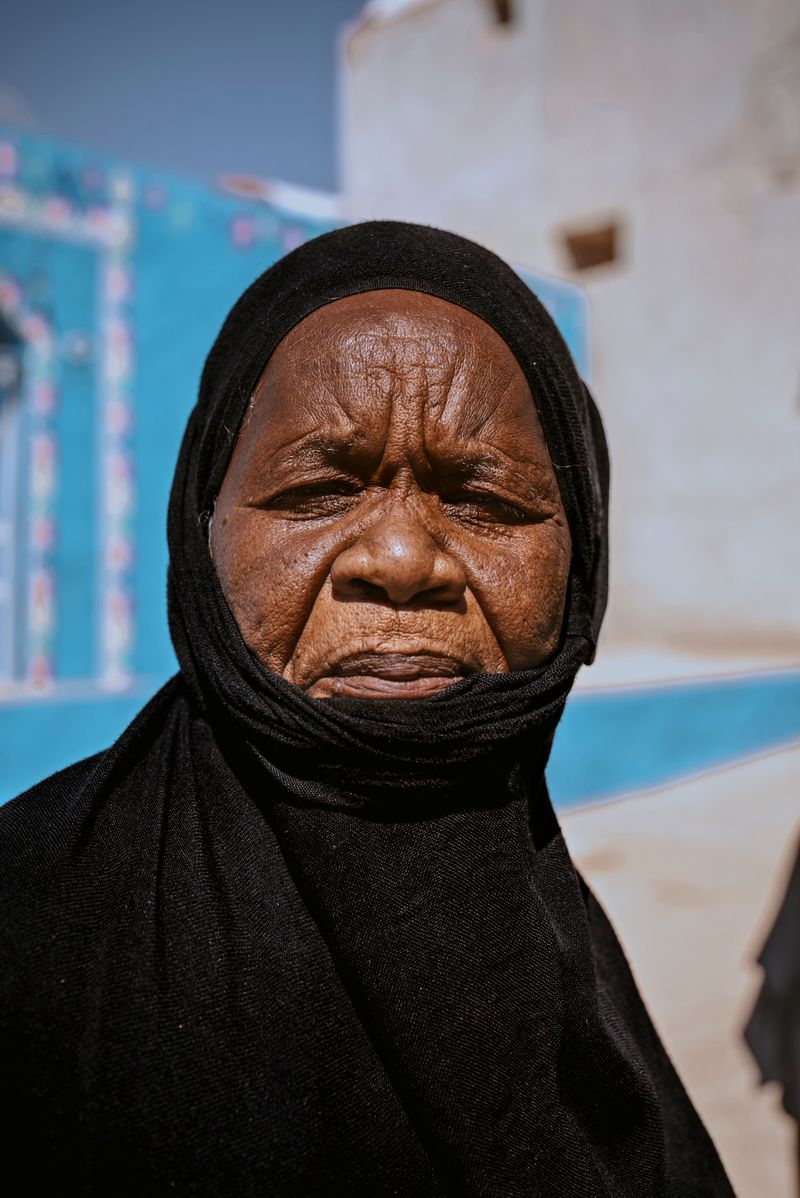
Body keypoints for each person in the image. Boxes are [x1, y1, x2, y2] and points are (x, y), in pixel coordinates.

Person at [0, 221, 735, 1196]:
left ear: (580, 565)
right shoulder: (23, 925)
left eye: (485, 499)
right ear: (200, 528)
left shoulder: (564, 942)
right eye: (313, 490)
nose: (398, 561)